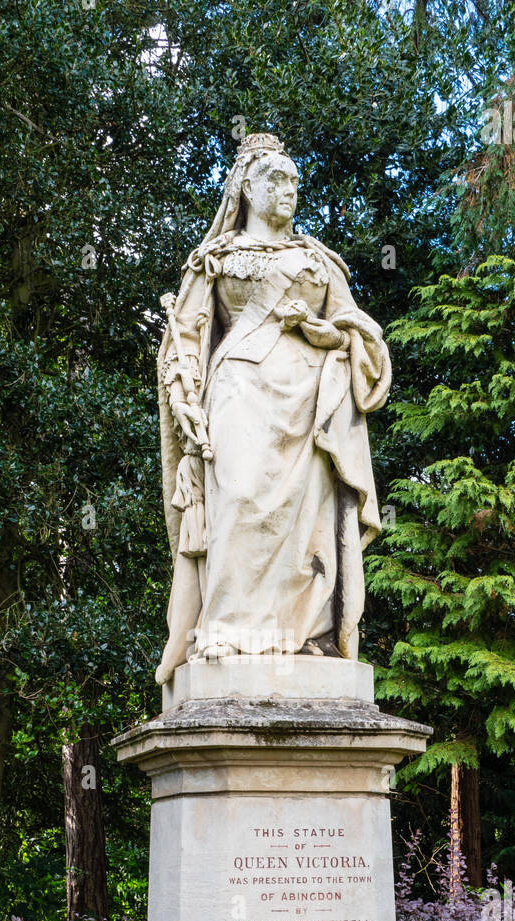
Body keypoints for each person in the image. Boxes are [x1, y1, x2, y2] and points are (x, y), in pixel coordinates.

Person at [155, 131, 391, 686]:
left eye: (293, 181)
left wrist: (325, 332)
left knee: (306, 525)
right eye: (275, 180)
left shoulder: (319, 262)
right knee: (236, 499)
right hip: (237, 392)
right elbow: (184, 340)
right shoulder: (214, 260)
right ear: (246, 188)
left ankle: (301, 634)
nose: (289, 190)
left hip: (309, 404)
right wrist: (184, 397)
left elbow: (362, 335)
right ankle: (230, 627)